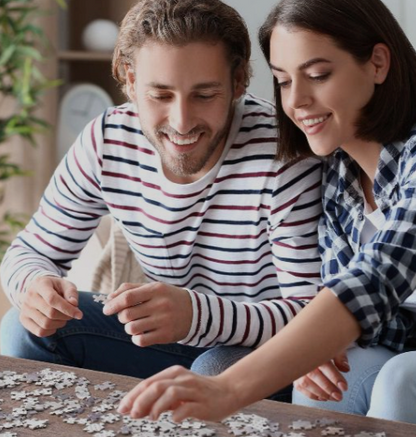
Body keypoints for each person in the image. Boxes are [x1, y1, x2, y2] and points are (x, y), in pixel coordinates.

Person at [0, 0, 322, 402]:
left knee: (212, 370)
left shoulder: (283, 155)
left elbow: (313, 317)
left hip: (265, 352)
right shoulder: (107, 139)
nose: (182, 121)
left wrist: (196, 314)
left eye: (204, 94)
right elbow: (28, 251)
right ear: (130, 81)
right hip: (169, 343)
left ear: (239, 81)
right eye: (160, 95)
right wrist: (34, 286)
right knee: (21, 327)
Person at [115, 0, 416, 425]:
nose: (298, 101)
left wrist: (228, 388)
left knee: (399, 378)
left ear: (378, 63)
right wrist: (315, 345)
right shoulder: (336, 176)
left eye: (318, 75)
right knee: (329, 379)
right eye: (283, 81)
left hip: (406, 371)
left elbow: (377, 278)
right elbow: (361, 312)